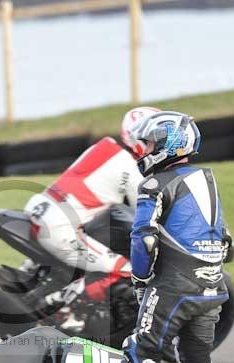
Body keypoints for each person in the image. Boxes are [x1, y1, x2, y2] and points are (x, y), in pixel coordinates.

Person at [97, 111, 234, 363]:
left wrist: (141, 280)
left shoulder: (154, 185)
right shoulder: (207, 179)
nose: (144, 151)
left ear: (169, 146)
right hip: (213, 284)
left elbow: (143, 240)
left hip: (175, 285)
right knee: (196, 356)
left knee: (140, 348)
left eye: (151, 144)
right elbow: (228, 241)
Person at [23, 107, 160, 313]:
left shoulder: (104, 146)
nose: (158, 144)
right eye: (154, 138)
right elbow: (147, 215)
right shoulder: (132, 170)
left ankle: (27, 278)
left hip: (40, 207)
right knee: (126, 270)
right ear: (139, 137)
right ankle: (62, 312)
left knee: (84, 256)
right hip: (59, 226)